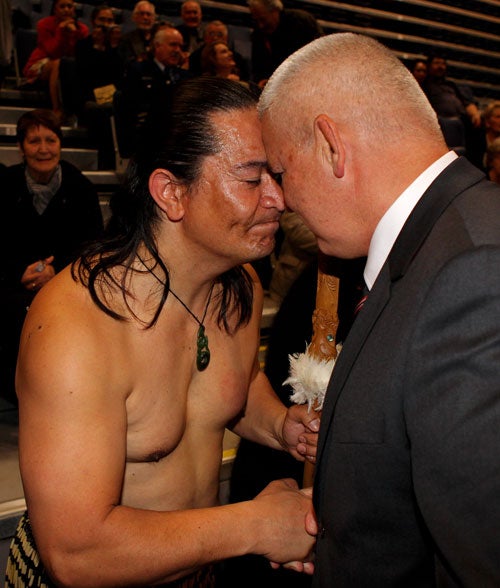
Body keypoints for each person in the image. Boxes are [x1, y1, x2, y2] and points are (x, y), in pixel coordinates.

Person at [6, 77, 319, 587]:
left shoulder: (239, 285)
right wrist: (255, 525)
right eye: (252, 179)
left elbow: (229, 386)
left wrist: (280, 425)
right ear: (171, 192)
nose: (278, 199)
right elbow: (76, 553)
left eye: (276, 177)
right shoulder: (75, 325)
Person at [259, 32, 500, 586]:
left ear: (331, 146)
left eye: (282, 171)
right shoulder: (436, 246)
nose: (280, 198)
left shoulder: (473, 270)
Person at [0, 109, 103, 407]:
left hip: (67, 280)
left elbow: (93, 245)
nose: (43, 149)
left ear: (60, 144)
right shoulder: (4, 185)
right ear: (21, 148)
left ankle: (66, 392)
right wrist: (18, 272)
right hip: (14, 283)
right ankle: (20, 393)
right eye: (34, 141)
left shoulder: (80, 187)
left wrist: (56, 272)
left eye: (50, 140)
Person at [116, 25, 193, 157]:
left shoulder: (184, 76)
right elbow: (131, 110)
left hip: (178, 136)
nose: (178, 51)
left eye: (181, 47)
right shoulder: (138, 70)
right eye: (173, 45)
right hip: (148, 136)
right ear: (157, 46)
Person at [73, 4, 123, 169]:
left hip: (112, 97)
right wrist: (96, 46)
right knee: (102, 113)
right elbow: (85, 74)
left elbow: (118, 75)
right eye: (102, 19)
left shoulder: (116, 47)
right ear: (93, 21)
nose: (106, 24)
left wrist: (113, 48)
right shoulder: (83, 45)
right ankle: (106, 164)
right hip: (88, 97)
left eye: (110, 20)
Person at [23, 0, 89, 116]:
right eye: (62, 6)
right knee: (59, 63)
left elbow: (81, 53)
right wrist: (61, 30)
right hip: (41, 62)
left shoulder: (82, 29)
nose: (66, 10)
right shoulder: (43, 24)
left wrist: (75, 33)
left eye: (70, 6)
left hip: (68, 64)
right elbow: (52, 51)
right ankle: (57, 109)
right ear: (55, 9)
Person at [247, 0, 323, 87]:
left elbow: (321, 53)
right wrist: (261, 81)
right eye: (256, 20)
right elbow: (258, 68)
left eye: (263, 19)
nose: (260, 25)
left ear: (275, 11)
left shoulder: (302, 21)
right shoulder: (258, 34)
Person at [118, 0, 156, 65]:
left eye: (148, 14)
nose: (145, 17)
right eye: (141, 14)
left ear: (153, 18)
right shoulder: (126, 39)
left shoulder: (160, 37)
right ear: (134, 17)